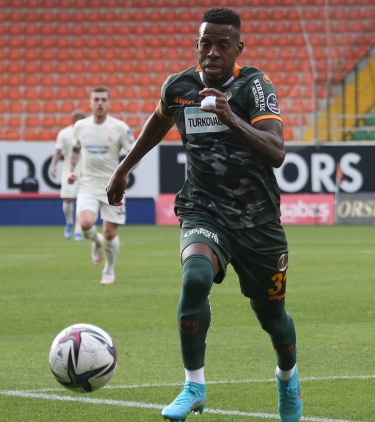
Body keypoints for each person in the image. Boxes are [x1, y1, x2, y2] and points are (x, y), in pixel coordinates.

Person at [105, 7, 302, 422]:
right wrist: (124, 168)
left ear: (238, 48)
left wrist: (230, 117)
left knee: (272, 317)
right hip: (203, 208)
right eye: (205, 44)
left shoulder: (255, 86)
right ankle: (194, 386)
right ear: (197, 45)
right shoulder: (179, 87)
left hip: (257, 220)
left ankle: (287, 378)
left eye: (222, 45)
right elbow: (158, 123)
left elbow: (276, 151)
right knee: (195, 278)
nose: (213, 52)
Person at [68, 87, 135, 285]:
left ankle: (109, 270)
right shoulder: (80, 127)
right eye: (96, 99)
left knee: (110, 233)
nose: (99, 103)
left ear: (108, 103)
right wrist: (72, 170)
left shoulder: (119, 128)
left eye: (103, 100)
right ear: (90, 103)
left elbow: (134, 153)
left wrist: (124, 173)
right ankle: (96, 242)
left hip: (112, 187)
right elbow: (75, 149)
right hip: (88, 184)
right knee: (85, 224)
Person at [50, 109, 86, 241]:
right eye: (78, 118)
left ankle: (78, 230)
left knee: (82, 200)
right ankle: (69, 222)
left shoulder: (88, 132)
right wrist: (53, 166)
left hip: (85, 170)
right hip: (69, 170)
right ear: (73, 119)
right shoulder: (64, 133)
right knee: (68, 199)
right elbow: (58, 152)